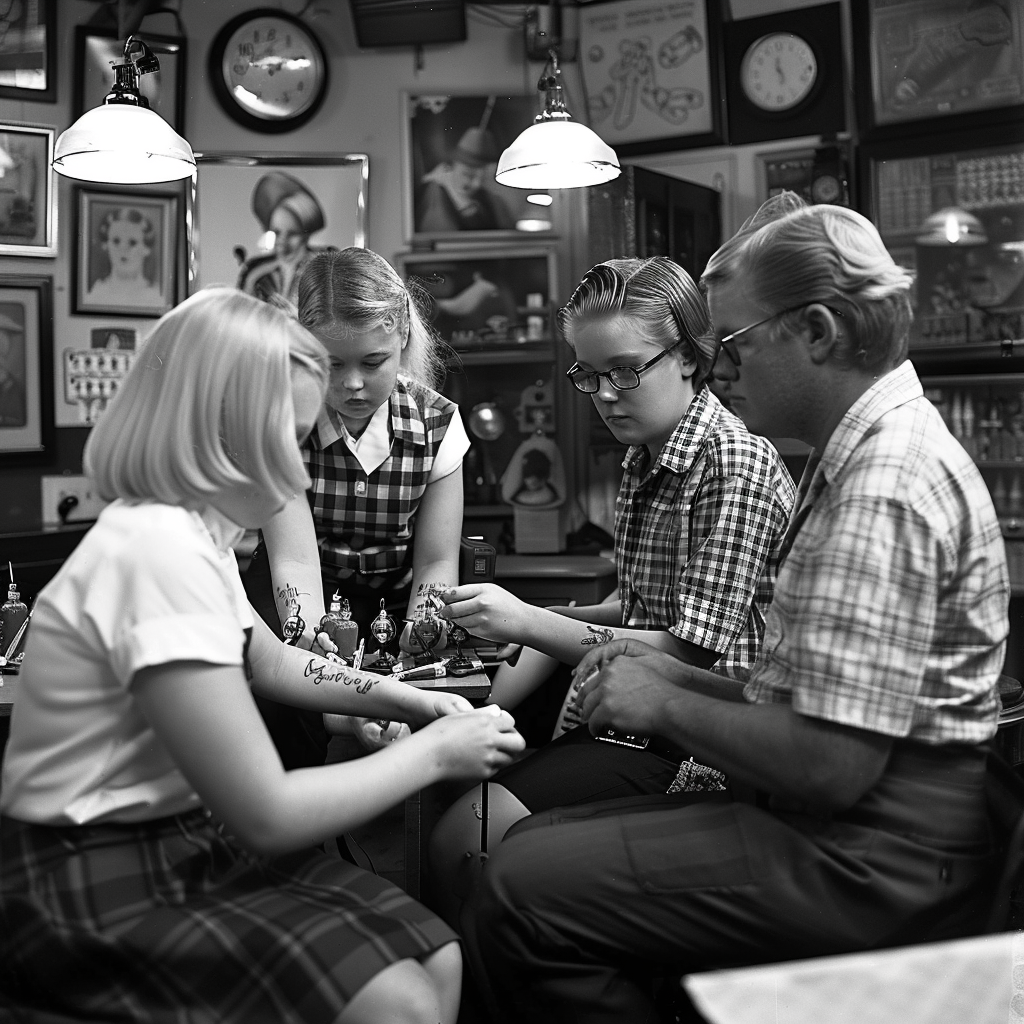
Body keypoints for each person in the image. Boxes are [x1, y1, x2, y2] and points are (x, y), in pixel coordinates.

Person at [467, 196, 1010, 1023]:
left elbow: (832, 763)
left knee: (520, 885)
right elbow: (791, 698)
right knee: (529, 847)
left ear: (818, 332)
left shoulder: (882, 488)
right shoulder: (859, 454)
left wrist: (664, 695)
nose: (719, 369)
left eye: (735, 344)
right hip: (844, 827)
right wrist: (650, 667)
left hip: (872, 860)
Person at [0, 287, 524, 1024]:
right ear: (220, 432)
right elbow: (268, 814)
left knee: (436, 955)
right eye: (289, 441)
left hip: (174, 837)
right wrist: (439, 751)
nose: (302, 477)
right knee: (399, 1000)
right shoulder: (155, 553)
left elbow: (271, 661)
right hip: (89, 870)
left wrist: (405, 699)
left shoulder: (190, 536)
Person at [428, 256, 796, 927]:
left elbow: (689, 652)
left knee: (462, 836)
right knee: (452, 780)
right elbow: (640, 606)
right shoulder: (646, 453)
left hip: (704, 743)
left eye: (625, 370)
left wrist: (529, 623)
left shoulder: (732, 461)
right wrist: (520, 617)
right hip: (637, 715)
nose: (604, 393)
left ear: (688, 357)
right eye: (588, 374)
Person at [242, 246, 471, 768]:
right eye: (331, 364)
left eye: (373, 363)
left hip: (393, 592)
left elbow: (435, 561)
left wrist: (424, 630)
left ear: (403, 339)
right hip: (296, 586)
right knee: (280, 691)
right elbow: (295, 562)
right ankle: (297, 819)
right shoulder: (286, 420)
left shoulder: (438, 424)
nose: (350, 384)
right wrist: (322, 657)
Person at [237, 171, 331, 306]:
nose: (282, 241)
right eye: (277, 232)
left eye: (292, 234)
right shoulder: (256, 270)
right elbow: (242, 313)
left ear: (306, 234)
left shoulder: (324, 267)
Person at [416, 127, 516, 234]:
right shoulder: (434, 194)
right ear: (449, 167)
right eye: (468, 175)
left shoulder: (494, 199)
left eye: (484, 178)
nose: (476, 184)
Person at [85, 206, 164, 309]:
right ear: (106, 244)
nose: (123, 249)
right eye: (116, 241)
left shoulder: (156, 297)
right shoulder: (95, 294)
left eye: (132, 242)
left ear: (146, 248)